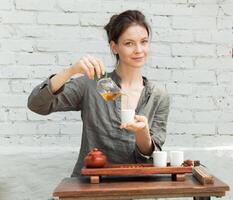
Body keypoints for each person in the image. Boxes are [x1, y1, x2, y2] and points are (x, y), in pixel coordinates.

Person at [27, 10, 170, 177]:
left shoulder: (157, 95)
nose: (139, 50)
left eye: (144, 42)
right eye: (129, 43)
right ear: (114, 47)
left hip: (135, 187)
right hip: (91, 185)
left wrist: (142, 132)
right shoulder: (100, 84)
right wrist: (71, 71)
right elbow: (37, 104)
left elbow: (150, 157)